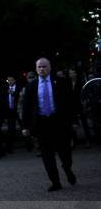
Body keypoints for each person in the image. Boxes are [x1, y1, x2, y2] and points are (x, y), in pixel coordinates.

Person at [22, 58, 77, 191]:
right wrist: (25, 126)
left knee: (65, 153)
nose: (42, 69)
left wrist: (74, 121)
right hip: (42, 124)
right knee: (47, 156)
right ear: (36, 69)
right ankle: (55, 182)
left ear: (50, 68)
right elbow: (27, 107)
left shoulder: (62, 82)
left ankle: (67, 168)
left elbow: (71, 103)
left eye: (44, 66)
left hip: (59, 122)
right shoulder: (31, 86)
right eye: (39, 67)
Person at [68, 68, 92, 148]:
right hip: (71, 106)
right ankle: (74, 141)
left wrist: (84, 103)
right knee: (72, 124)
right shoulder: (68, 83)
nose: (72, 75)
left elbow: (85, 93)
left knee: (84, 123)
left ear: (76, 74)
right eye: (70, 73)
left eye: (73, 73)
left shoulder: (81, 82)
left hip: (80, 104)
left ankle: (88, 140)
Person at [5, 76, 21, 153]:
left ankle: (29, 144)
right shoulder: (6, 89)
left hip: (18, 110)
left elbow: (20, 97)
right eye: (9, 80)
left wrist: (13, 93)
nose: (10, 81)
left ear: (14, 80)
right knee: (10, 129)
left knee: (23, 127)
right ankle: (10, 147)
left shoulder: (18, 88)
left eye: (11, 80)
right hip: (10, 112)